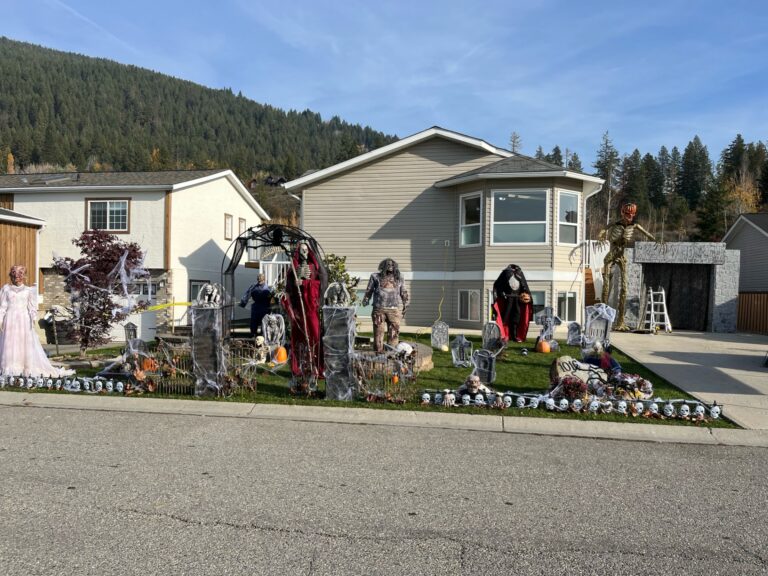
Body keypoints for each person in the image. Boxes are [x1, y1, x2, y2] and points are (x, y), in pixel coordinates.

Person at [0, 265, 72, 377]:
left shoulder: (28, 291)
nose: (16, 279)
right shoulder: (6, 290)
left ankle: (25, 367)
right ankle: (10, 368)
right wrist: (0, 319)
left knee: (24, 343)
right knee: (10, 343)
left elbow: (32, 308)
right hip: (10, 320)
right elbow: (2, 307)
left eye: (19, 276)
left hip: (24, 320)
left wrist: (33, 319)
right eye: (14, 276)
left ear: (23, 277)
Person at [598, 202, 659, 330]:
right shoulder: (616, 224)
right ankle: (602, 318)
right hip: (611, 254)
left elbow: (646, 233)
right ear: (623, 213)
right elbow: (604, 228)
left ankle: (621, 321)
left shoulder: (634, 225)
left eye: (631, 214)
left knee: (624, 288)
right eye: (627, 213)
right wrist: (601, 236)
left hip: (621, 256)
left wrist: (657, 240)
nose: (629, 216)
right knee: (606, 285)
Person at [282, 241, 326, 381]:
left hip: (311, 306)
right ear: (297, 252)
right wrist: (295, 285)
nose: (304, 253)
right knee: (299, 335)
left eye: (306, 250)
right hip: (299, 308)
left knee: (314, 334)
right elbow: (288, 289)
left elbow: (321, 284)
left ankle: (316, 366)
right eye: (301, 250)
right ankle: (300, 367)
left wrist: (306, 283)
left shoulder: (314, 267)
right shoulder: (293, 270)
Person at [362, 258, 409, 353]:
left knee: (393, 333)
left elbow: (403, 291)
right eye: (388, 264)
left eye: (392, 265)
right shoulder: (375, 276)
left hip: (394, 310)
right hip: (379, 309)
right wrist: (366, 299)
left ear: (395, 266)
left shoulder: (399, 277)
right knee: (379, 333)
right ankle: (378, 354)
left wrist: (405, 304)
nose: (390, 266)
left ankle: (392, 353)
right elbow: (369, 290)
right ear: (383, 266)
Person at [492, 264, 533, 343]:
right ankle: (504, 335)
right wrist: (501, 294)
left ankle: (514, 336)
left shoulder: (519, 273)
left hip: (517, 299)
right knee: (505, 317)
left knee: (516, 318)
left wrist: (526, 294)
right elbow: (498, 285)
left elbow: (524, 285)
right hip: (507, 299)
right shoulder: (506, 273)